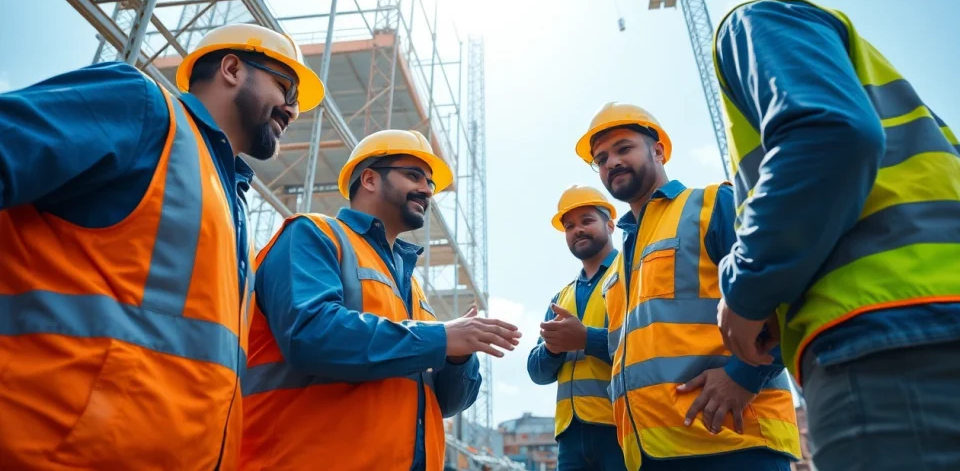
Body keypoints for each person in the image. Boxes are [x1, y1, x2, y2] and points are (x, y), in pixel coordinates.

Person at [712, 0, 960, 470]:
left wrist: (745, 291)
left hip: (888, 337)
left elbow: (830, 136)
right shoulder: (868, 79)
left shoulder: (751, 23)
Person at [0, 23, 324, 470]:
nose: (292, 109)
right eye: (285, 87)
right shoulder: (143, 110)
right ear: (232, 69)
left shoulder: (230, 202)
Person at [240, 129, 522, 471]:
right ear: (370, 179)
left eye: (430, 182)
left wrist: (458, 358)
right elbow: (311, 334)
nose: (427, 190)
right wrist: (441, 338)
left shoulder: (411, 287)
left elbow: (446, 403)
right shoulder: (312, 234)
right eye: (413, 175)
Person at [576, 103, 801, 471]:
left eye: (623, 148)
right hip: (648, 453)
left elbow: (785, 291)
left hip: (733, 441)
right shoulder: (618, 267)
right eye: (601, 159)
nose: (611, 162)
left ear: (658, 151)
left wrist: (743, 376)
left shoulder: (712, 205)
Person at [527, 185, 628, 471]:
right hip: (570, 435)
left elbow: (646, 345)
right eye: (569, 226)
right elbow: (537, 373)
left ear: (610, 225)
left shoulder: (631, 275)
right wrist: (552, 349)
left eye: (587, 221)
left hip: (620, 425)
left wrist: (586, 339)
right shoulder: (561, 297)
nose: (577, 230)